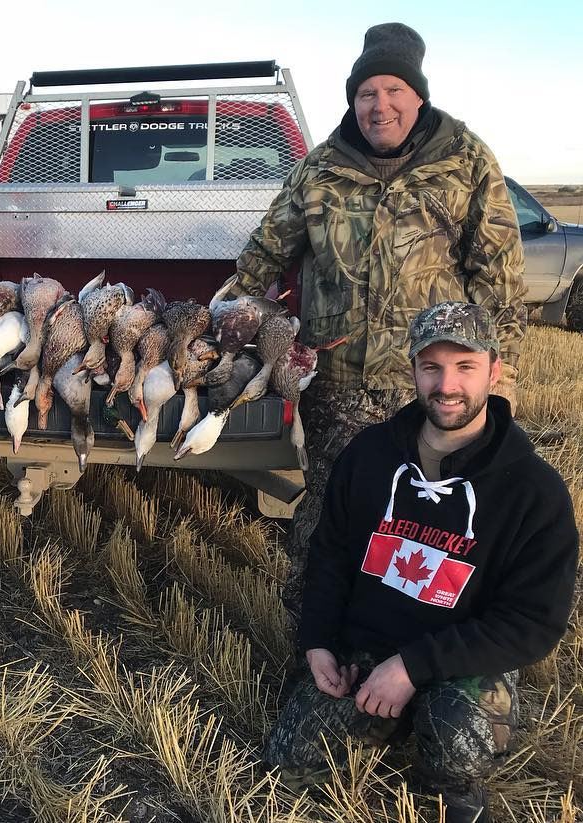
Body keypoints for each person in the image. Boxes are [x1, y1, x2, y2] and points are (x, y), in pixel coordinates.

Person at [232, 22, 527, 604]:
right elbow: (267, 248)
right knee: (329, 517)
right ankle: (313, 637)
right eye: (367, 93)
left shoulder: (466, 160)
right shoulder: (320, 168)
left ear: (418, 96)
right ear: (353, 100)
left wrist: (501, 371)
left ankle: (413, 638)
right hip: (338, 383)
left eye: (394, 90)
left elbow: (499, 273)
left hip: (434, 382)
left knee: (433, 526)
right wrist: (232, 309)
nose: (380, 105)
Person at [264, 302, 578, 823]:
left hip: (459, 664)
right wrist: (317, 641)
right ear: (412, 370)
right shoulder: (368, 455)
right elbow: (330, 555)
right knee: (289, 764)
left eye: (465, 366)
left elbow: (533, 623)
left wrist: (413, 667)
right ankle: (385, 718)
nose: (446, 385)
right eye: (431, 366)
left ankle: (449, 784)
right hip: (367, 651)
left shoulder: (533, 491)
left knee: (457, 735)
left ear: (494, 371)